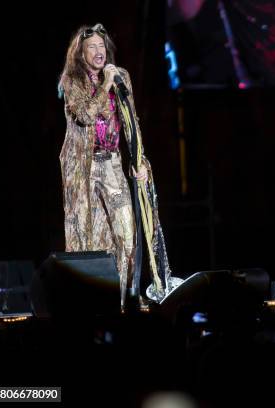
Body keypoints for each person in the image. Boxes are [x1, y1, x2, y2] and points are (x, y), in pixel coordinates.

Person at [58, 23, 176, 309]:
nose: (99, 52)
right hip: (81, 169)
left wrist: (141, 161)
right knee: (88, 238)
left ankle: (125, 301)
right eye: (92, 48)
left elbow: (131, 121)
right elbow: (85, 115)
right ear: (81, 54)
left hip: (111, 162)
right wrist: (106, 85)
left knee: (126, 232)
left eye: (102, 46)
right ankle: (91, 303)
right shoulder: (71, 80)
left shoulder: (121, 76)